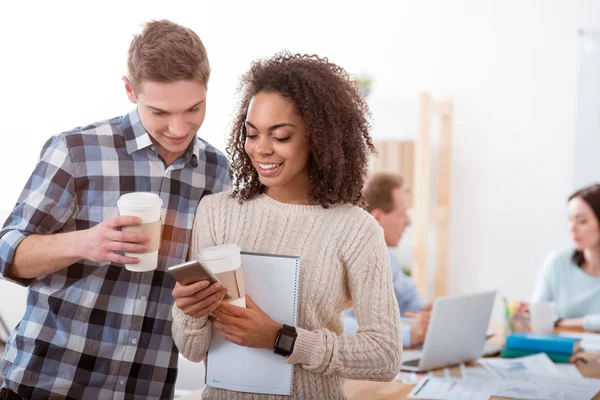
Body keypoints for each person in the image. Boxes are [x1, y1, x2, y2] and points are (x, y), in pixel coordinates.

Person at [0, 20, 230, 399]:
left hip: (147, 386)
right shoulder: (76, 150)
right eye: (159, 112)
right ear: (129, 90)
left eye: (194, 108)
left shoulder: (217, 172)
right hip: (47, 382)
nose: (178, 127)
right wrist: (85, 243)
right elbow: (8, 253)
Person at [171, 52, 402, 399]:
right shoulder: (216, 212)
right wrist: (190, 312)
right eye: (252, 134)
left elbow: (384, 356)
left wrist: (282, 339)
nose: (261, 149)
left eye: (280, 136)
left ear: (318, 138)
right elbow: (193, 349)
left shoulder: (355, 229)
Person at [343, 173, 432, 348]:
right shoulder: (347, 259)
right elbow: (340, 324)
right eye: (402, 214)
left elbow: (408, 301)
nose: (408, 222)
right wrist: (407, 335)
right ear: (377, 218)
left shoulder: (387, 257)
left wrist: (429, 314)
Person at [532, 183, 600, 332]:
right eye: (570, 220)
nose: (572, 228)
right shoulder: (557, 262)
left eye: (582, 221)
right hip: (563, 350)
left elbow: (549, 319)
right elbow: (538, 313)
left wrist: (560, 323)